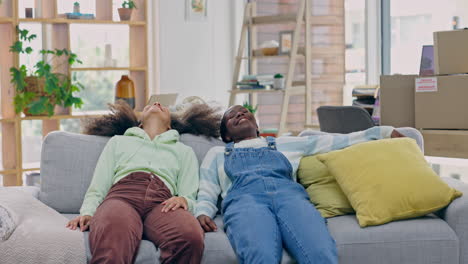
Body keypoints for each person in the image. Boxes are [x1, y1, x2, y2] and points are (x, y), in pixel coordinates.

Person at [195, 105, 405, 264]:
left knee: (319, 252)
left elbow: (338, 141)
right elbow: (207, 189)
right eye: (231, 116)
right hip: (245, 203)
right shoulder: (218, 154)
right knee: (261, 255)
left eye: (244, 112)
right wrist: (202, 212)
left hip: (291, 199)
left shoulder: (285, 143)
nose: (239, 115)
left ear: (257, 126)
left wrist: (382, 132)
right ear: (226, 135)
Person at [66, 101, 221, 264]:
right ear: (140, 123)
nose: (156, 103)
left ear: (170, 126)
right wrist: (88, 213)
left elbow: (189, 194)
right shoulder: (118, 142)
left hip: (163, 202)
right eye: (148, 105)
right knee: (114, 231)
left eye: (163, 106)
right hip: (122, 196)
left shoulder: (184, 151)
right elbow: (98, 185)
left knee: (190, 236)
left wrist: (184, 200)